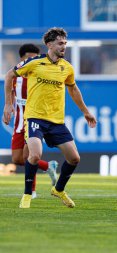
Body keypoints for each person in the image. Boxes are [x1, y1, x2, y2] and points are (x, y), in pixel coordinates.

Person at [2, 27, 97, 209]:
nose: (64, 47)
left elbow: (73, 89)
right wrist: (8, 104)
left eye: (65, 44)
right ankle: (27, 195)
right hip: (35, 118)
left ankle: (58, 189)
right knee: (35, 155)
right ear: (49, 44)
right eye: (60, 43)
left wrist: (85, 111)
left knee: (74, 158)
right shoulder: (34, 62)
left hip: (56, 121)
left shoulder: (67, 68)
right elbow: (9, 75)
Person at [9, 44, 58, 199]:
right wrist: (8, 106)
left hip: (33, 119)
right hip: (18, 121)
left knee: (27, 155)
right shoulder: (15, 75)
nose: (32, 60)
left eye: (34, 57)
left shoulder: (40, 75)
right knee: (17, 159)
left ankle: (32, 191)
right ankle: (48, 166)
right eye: (29, 57)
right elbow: (10, 92)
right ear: (22, 58)